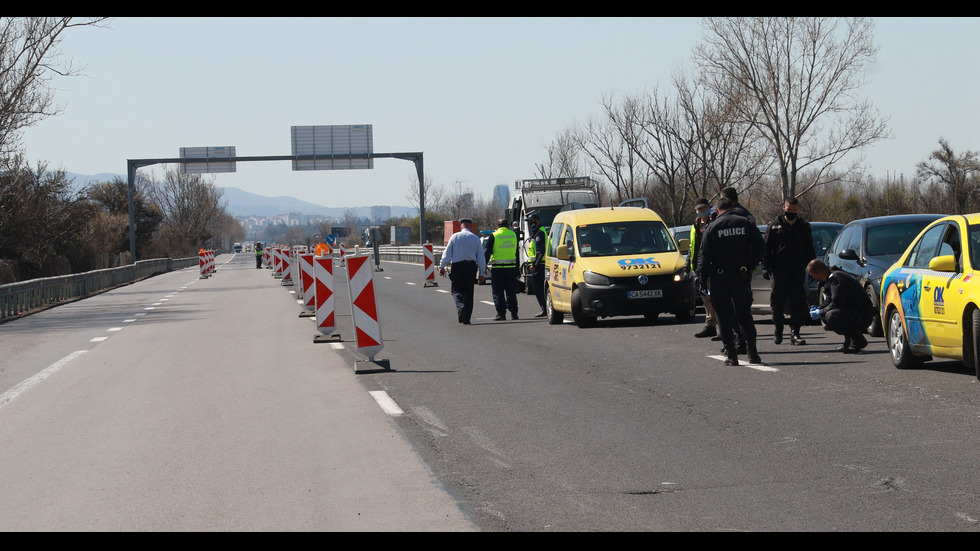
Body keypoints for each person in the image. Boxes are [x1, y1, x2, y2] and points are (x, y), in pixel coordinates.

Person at [696, 196, 766, 366]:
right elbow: (760, 247)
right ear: (733, 208)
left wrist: (701, 278)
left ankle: (731, 355)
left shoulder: (712, 227)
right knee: (744, 315)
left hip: (719, 277)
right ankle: (752, 353)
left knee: (723, 316)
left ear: (717, 210)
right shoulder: (746, 223)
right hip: (740, 276)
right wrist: (749, 265)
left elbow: (704, 256)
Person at [762, 196, 816, 346]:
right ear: (783, 208)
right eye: (789, 209)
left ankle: (795, 333)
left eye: (795, 210)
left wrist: (812, 268)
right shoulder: (774, 226)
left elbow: (810, 249)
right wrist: (765, 266)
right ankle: (778, 330)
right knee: (777, 302)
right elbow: (766, 248)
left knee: (797, 302)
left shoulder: (803, 226)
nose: (792, 212)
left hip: (797, 269)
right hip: (779, 270)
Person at [806, 259, 869, 354]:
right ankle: (849, 341)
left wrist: (820, 312)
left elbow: (837, 302)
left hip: (862, 314)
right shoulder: (832, 277)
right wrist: (820, 307)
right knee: (827, 313)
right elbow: (829, 299)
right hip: (855, 311)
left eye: (812, 275)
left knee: (832, 315)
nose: (813, 277)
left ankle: (857, 340)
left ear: (816, 273)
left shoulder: (836, 278)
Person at [439, 217, 487, 324]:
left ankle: (460, 306)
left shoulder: (455, 237)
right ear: (470, 226)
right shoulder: (475, 238)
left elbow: (447, 253)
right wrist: (482, 272)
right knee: (469, 292)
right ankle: (467, 319)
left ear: (461, 226)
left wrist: (441, 266)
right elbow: (480, 256)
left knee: (457, 290)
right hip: (471, 267)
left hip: (457, 267)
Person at [690, 198, 718, 339]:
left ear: (709, 207)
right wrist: (692, 264)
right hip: (701, 267)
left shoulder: (714, 221)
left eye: (704, 208)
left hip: (713, 265)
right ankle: (711, 324)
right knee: (706, 298)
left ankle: (724, 327)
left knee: (717, 298)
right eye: (699, 209)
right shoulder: (696, 224)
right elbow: (693, 246)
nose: (702, 212)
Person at [485, 217, 520, 321]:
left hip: (498, 269)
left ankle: (501, 314)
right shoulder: (513, 235)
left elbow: (487, 251)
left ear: (498, 226)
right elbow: (516, 253)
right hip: (511, 268)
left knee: (498, 292)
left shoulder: (494, 235)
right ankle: (514, 313)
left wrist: (483, 265)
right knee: (511, 292)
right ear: (508, 225)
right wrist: (517, 269)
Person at [525, 211, 549, 317]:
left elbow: (540, 252)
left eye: (532, 221)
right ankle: (545, 308)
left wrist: (534, 265)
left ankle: (545, 308)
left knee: (539, 289)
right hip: (539, 265)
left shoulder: (540, 233)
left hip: (540, 266)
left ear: (537, 221)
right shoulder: (537, 232)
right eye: (529, 222)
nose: (531, 224)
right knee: (539, 288)